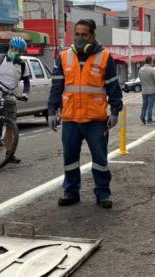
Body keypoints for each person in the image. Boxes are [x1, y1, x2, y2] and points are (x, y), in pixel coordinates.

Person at [47, 19, 123, 209]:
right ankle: (71, 192)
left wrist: (115, 111)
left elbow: (113, 86)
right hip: (71, 118)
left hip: (95, 120)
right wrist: (51, 110)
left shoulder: (105, 57)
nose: (80, 38)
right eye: (77, 34)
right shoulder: (64, 57)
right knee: (70, 159)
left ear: (92, 36)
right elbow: (57, 86)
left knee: (100, 159)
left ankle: (102, 193)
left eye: (84, 35)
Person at [138, 56, 155, 125]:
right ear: (150, 61)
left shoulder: (141, 69)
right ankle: (149, 120)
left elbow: (140, 78)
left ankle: (142, 119)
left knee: (144, 105)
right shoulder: (152, 70)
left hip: (144, 91)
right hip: (152, 91)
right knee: (150, 106)